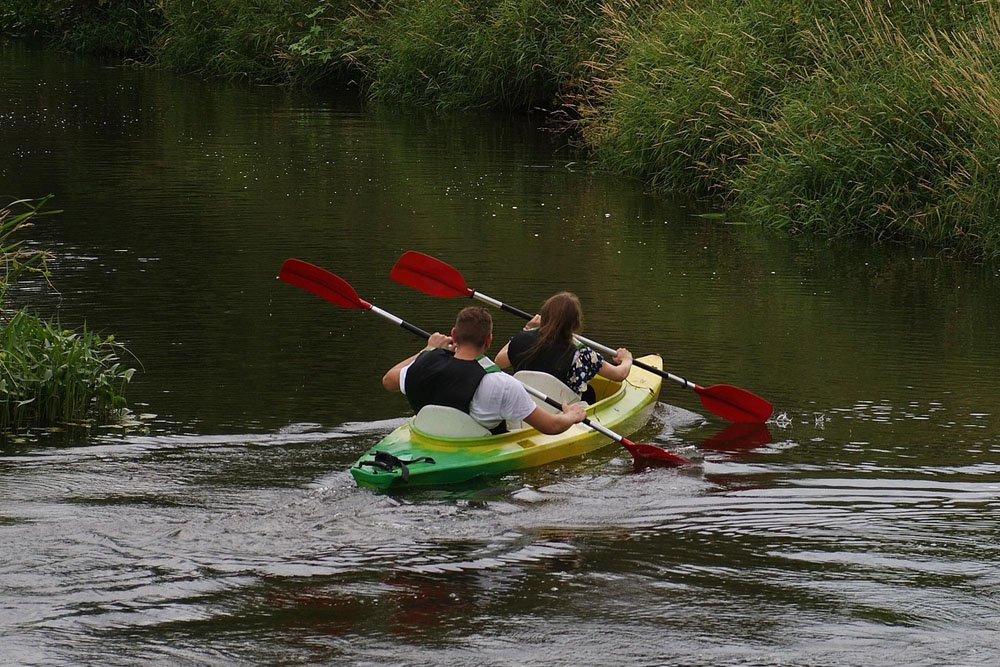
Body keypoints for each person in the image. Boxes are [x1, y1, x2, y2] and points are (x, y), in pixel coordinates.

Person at [382, 306, 586, 435]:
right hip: (474, 451)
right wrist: (571, 416)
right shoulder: (502, 384)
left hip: (429, 439)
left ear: (454, 334)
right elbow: (551, 427)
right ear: (489, 340)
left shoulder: (423, 365)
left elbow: (388, 381)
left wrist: (428, 350)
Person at [495, 292, 633, 403]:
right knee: (588, 393)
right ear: (575, 323)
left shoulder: (520, 341)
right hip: (563, 413)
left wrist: (526, 329)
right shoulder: (582, 353)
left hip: (528, 411)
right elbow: (619, 374)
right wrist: (626, 359)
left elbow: (499, 362)